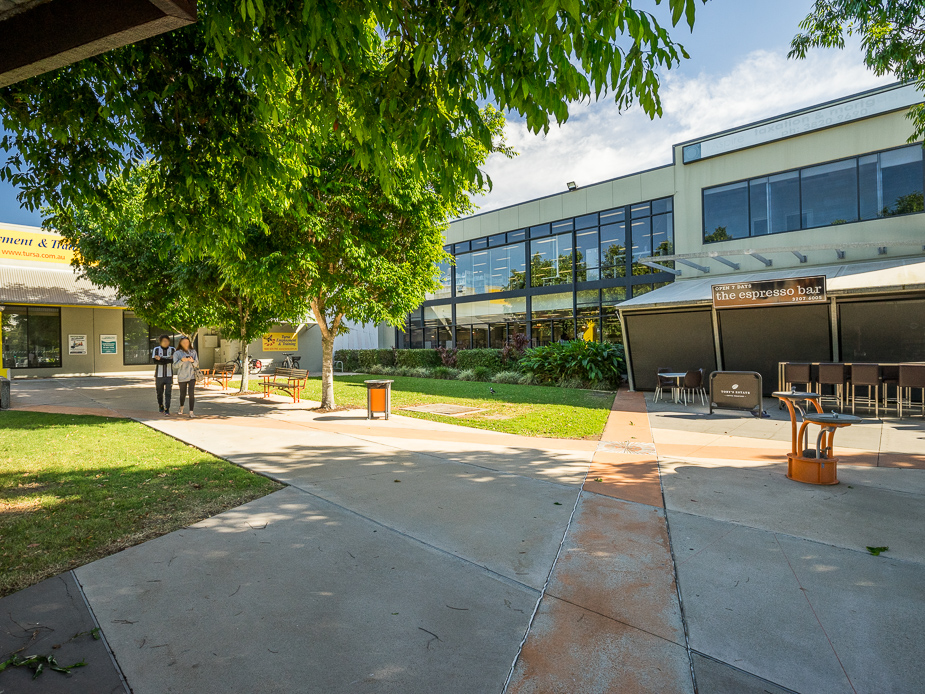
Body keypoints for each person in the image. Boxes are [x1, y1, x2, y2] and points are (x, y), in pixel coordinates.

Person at [173, 336, 199, 418]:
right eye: (183, 342)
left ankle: (191, 412)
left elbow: (196, 364)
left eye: (187, 342)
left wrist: (192, 361)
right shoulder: (177, 353)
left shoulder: (193, 352)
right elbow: (175, 366)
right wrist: (182, 360)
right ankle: (181, 407)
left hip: (192, 376)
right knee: (182, 393)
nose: (185, 344)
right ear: (180, 343)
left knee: (191, 393)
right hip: (182, 376)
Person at [152, 334, 175, 415]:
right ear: (160, 342)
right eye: (164, 341)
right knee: (159, 392)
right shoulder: (156, 349)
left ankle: (167, 408)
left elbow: (173, 361)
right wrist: (166, 360)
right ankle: (160, 405)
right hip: (159, 375)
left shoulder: (172, 349)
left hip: (169, 375)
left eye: (167, 341)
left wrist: (161, 359)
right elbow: (155, 361)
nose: (166, 342)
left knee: (168, 392)